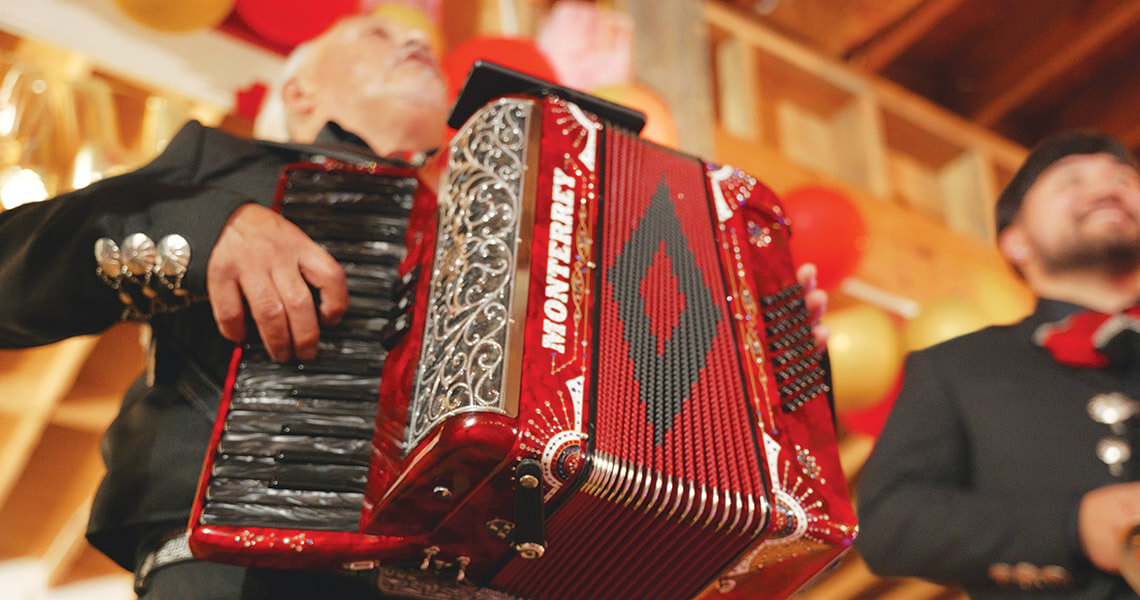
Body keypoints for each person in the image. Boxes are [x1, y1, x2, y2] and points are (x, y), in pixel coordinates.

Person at [0, 10, 830, 600]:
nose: (410, 39)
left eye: (420, 38)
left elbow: (653, 402)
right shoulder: (224, 166)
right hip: (259, 578)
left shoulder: (543, 222)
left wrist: (766, 366)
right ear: (298, 94)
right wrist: (205, 230)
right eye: (371, 33)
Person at [857, 130, 1140, 600]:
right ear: (1017, 244)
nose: (1107, 190)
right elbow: (891, 523)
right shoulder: (954, 367)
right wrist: (1070, 525)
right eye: (1071, 181)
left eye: (1125, 179)